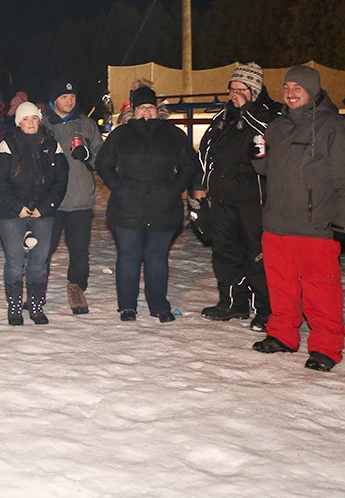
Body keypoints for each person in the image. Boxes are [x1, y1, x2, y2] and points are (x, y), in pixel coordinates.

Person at [252, 65, 345, 371]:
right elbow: (266, 170)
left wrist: (340, 221)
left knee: (321, 289)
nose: (290, 94)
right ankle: (282, 335)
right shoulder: (276, 127)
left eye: (298, 88)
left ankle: (326, 347)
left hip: (314, 224)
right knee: (281, 286)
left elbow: (342, 176)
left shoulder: (332, 126)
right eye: (287, 87)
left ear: (313, 90)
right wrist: (257, 156)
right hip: (276, 222)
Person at [96, 85, 199, 323]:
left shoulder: (173, 135)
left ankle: (159, 305)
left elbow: (189, 165)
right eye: (141, 107)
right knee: (129, 257)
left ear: (158, 110)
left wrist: (173, 189)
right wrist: (120, 188)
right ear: (133, 110)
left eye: (150, 107)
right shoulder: (121, 134)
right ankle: (127, 306)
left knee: (156, 257)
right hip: (126, 207)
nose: (146, 112)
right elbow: (104, 164)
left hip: (163, 206)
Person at [193, 63, 275, 331]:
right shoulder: (222, 117)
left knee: (257, 256)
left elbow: (269, 139)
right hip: (223, 198)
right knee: (225, 252)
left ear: (254, 90)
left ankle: (265, 309)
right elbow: (206, 153)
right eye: (232, 89)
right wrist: (201, 185)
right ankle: (232, 302)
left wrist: (245, 111)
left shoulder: (269, 114)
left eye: (241, 89)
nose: (234, 94)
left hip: (254, 200)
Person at [0, 101, 68, 325]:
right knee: (15, 262)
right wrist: (17, 207)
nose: (30, 122)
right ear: (18, 122)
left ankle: (36, 306)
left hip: (42, 212)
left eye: (34, 118)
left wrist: (44, 207)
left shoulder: (51, 144)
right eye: (25, 118)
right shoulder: (7, 145)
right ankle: (15, 308)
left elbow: (61, 181)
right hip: (12, 212)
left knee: (39, 262)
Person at [43, 80, 103, 315]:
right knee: (43, 248)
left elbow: (102, 159)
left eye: (72, 96)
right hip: (51, 200)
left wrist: (87, 155)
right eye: (64, 96)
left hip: (79, 198)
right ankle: (38, 287)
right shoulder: (43, 125)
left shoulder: (86, 125)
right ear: (53, 100)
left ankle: (77, 286)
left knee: (79, 249)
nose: (69, 101)